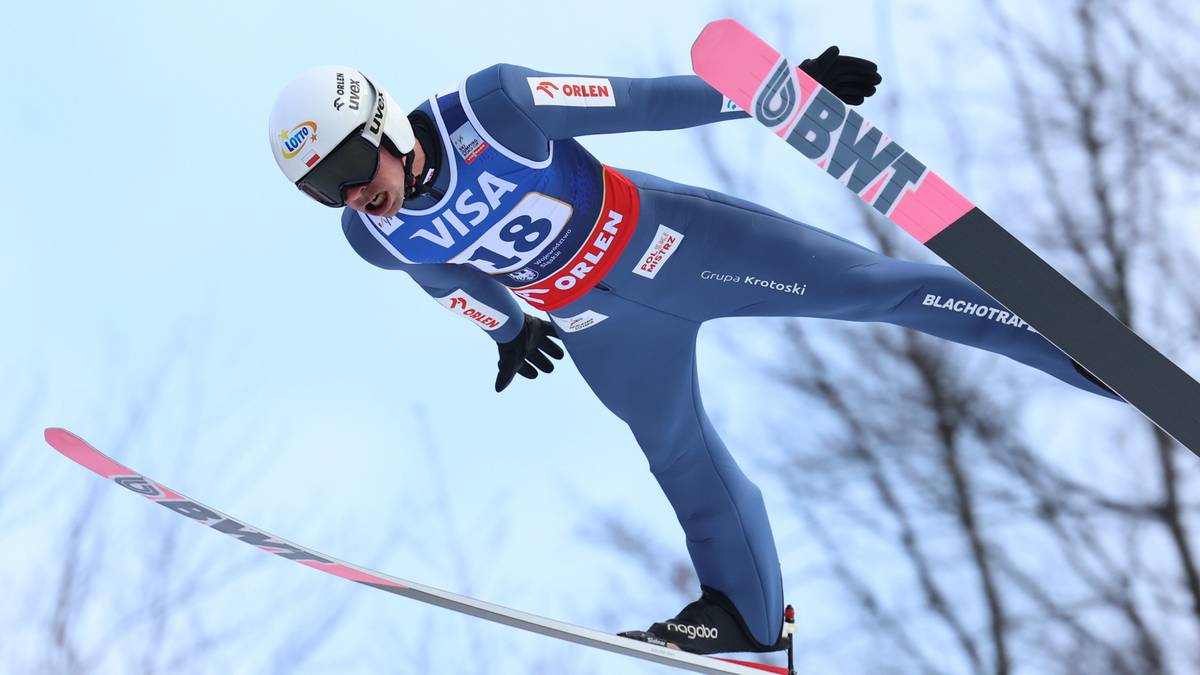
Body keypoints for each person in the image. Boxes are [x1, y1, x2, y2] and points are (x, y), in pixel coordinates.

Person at [267, 50, 1118, 655]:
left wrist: (782, 93)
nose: (349, 193)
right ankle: (748, 619)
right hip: (601, 327)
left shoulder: (494, 108)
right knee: (678, 453)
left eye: (347, 163)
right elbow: (438, 274)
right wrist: (506, 327)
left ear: (379, 118)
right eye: (320, 189)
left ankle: (1074, 347)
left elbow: (640, 102)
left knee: (874, 288)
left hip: (676, 243)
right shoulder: (374, 236)